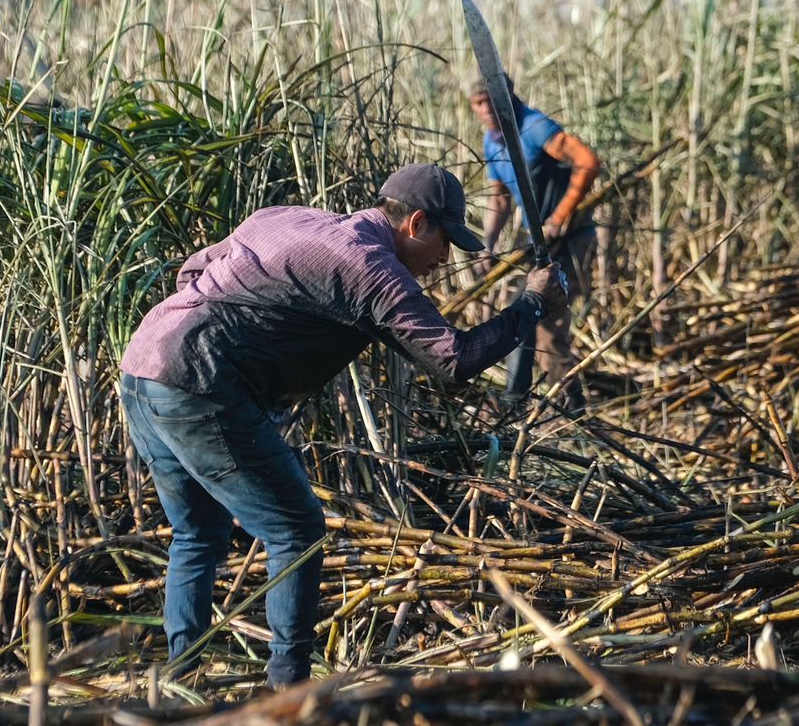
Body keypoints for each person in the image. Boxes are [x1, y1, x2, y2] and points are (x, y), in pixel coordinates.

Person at [117, 163, 566, 690]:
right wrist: (531, 303)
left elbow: (192, 274)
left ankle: (177, 681)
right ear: (417, 223)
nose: (445, 258)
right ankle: (291, 690)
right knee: (298, 533)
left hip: (143, 364)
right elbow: (455, 361)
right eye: (445, 241)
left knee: (199, 531)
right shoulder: (371, 267)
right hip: (198, 384)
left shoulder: (285, 219)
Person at [469, 77, 601, 399]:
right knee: (529, 319)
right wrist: (488, 245)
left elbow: (588, 162)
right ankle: (534, 402)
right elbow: (499, 198)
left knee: (545, 327)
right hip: (541, 246)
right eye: (478, 103)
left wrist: (560, 216)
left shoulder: (535, 127)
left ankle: (570, 413)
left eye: (490, 101)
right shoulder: (492, 140)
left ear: (507, 97)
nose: (486, 110)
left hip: (571, 241)